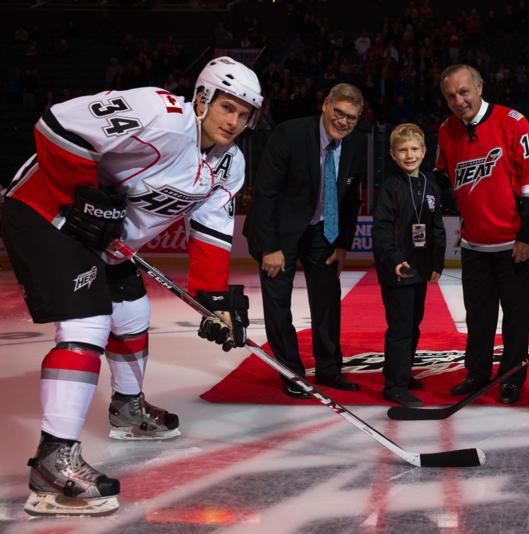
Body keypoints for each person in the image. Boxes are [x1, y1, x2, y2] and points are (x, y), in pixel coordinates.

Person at [2, 56, 261, 515]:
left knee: (132, 310)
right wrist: (85, 195)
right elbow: (58, 125)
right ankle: (52, 462)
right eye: (227, 107)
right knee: (88, 322)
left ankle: (127, 410)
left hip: (104, 241)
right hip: (47, 213)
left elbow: (210, 230)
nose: (234, 121)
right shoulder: (162, 114)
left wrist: (214, 300)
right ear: (202, 98)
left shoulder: (230, 165)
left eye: (244, 114)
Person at [243, 83, 367, 398]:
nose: (343, 122)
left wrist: (342, 244)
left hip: (322, 231)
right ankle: (292, 373)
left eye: (351, 118)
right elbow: (266, 192)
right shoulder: (290, 134)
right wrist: (270, 247)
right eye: (339, 112)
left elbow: (351, 199)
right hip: (279, 232)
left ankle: (329, 369)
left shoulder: (355, 144)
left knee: (327, 300)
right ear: (325, 105)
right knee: (278, 306)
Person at [435, 64, 529, 404]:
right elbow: (442, 176)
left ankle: (511, 379)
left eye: (463, 92)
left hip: (513, 245)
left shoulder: (513, 122)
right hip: (473, 245)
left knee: (515, 318)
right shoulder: (447, 129)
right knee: (478, 316)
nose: (458, 101)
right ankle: (477, 372)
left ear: (480, 87)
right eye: (450, 96)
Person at [372, 123, 446, 408]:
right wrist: (394, 259)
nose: (409, 155)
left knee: (413, 325)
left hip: (420, 267)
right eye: (403, 150)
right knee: (400, 328)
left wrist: (437, 261)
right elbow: (381, 230)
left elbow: (437, 227)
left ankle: (402, 372)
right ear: (393, 154)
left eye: (414, 149)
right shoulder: (390, 187)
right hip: (397, 269)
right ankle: (395, 386)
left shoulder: (430, 185)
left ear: (424, 151)